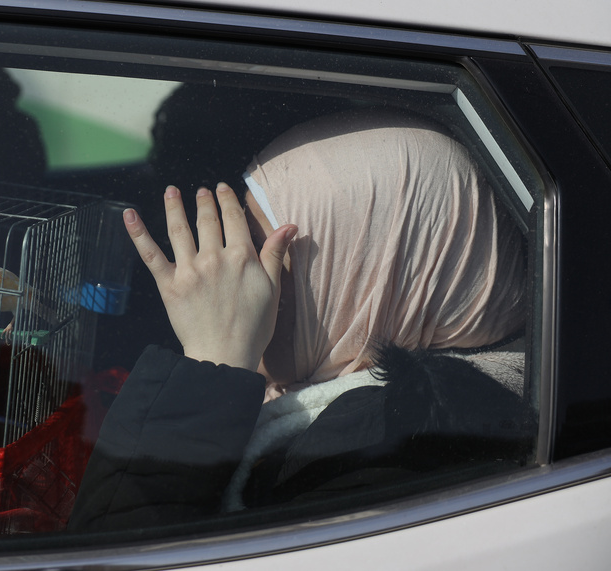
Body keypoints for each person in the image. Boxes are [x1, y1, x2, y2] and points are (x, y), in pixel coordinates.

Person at [68, 112, 533, 531]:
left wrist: (213, 360)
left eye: (268, 258)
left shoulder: (397, 444)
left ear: (382, 270)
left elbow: (106, 554)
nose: (239, 280)